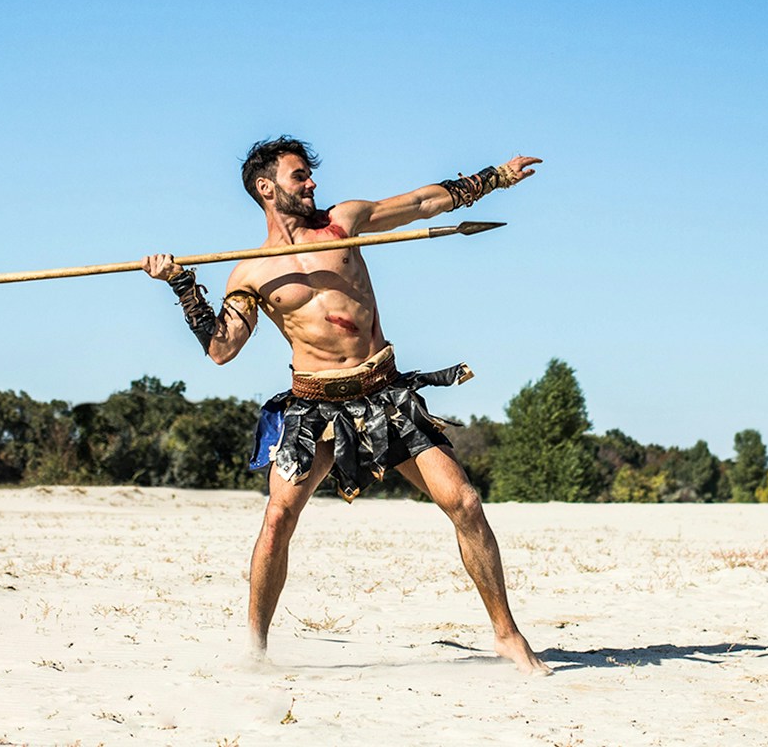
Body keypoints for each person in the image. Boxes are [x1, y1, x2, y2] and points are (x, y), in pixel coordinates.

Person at [142, 137, 549, 675]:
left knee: (465, 502)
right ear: (266, 189)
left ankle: (506, 635)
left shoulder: (344, 222)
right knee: (278, 518)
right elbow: (221, 349)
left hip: (383, 395)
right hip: (315, 407)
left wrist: (495, 177)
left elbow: (422, 204)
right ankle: (255, 648)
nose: (311, 183)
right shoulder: (250, 273)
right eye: (298, 176)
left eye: (309, 175)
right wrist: (182, 285)